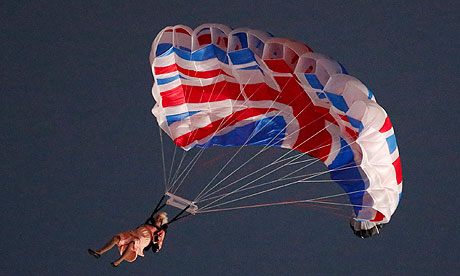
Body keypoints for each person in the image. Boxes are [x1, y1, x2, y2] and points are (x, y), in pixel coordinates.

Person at [88, 212, 168, 267]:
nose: (158, 219)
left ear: (161, 222)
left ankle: (118, 261)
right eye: (157, 218)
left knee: (132, 244)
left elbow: (158, 246)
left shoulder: (160, 231)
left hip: (145, 239)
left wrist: (156, 243)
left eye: (159, 219)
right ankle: (99, 252)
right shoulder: (149, 224)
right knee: (116, 238)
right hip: (134, 233)